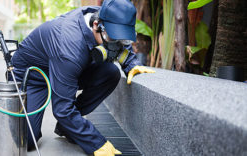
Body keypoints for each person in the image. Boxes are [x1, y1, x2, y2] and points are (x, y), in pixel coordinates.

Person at [9, 0, 155, 155]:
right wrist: (96, 143)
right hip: (33, 76)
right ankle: (69, 124)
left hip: (67, 67)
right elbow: (62, 109)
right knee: (26, 140)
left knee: (111, 73)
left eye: (122, 40)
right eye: (113, 40)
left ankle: (67, 127)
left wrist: (131, 64)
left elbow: (119, 38)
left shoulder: (110, 15)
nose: (117, 46)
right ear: (96, 25)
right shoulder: (69, 46)